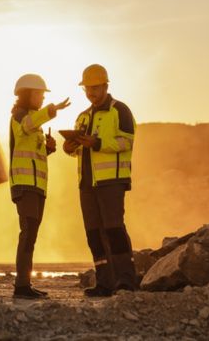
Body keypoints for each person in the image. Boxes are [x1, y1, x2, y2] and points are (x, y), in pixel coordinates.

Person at [63, 64, 137, 297]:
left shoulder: (120, 110)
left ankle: (126, 280)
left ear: (106, 86)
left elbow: (127, 142)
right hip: (87, 184)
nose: (91, 93)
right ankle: (104, 283)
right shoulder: (82, 116)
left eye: (95, 88)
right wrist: (69, 146)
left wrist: (98, 144)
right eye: (87, 89)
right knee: (93, 234)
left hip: (111, 182)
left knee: (114, 229)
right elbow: (78, 151)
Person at [9, 73, 70, 299]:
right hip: (24, 185)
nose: (43, 98)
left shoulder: (34, 119)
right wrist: (52, 110)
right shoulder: (20, 116)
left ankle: (25, 284)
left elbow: (33, 152)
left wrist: (49, 149)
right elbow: (27, 125)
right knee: (27, 234)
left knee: (31, 234)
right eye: (40, 94)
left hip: (36, 186)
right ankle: (21, 286)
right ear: (27, 94)